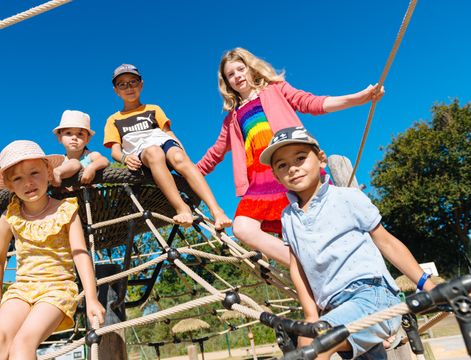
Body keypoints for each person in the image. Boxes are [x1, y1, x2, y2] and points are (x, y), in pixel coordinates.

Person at [197, 47, 385, 266]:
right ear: (226, 83)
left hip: (291, 169)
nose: (237, 76)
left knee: (320, 226)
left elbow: (311, 103)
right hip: (260, 183)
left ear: (251, 69)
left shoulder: (275, 90)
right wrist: (185, 172)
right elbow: (214, 154)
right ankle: (305, 265)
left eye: (241, 69)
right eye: (231, 74)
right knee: (242, 227)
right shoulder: (232, 119)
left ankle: (350, 265)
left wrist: (358, 98)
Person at [259, 126, 435, 359]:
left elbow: (387, 242)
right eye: (282, 165)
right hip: (334, 309)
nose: (292, 168)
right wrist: (311, 314)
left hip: (373, 295)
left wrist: (427, 284)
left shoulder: (347, 198)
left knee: (312, 342)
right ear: (276, 175)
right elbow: (297, 267)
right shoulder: (288, 218)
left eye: (300, 158)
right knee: (313, 332)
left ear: (321, 159)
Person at [0, 140, 105, 360]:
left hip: (56, 290)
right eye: (18, 178)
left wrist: (92, 298)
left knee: (22, 344)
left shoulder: (65, 210)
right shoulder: (10, 217)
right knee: (1, 338)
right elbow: (1, 259)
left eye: (34, 173)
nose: (28, 182)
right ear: (10, 185)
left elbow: (80, 253)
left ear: (48, 173)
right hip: (22, 289)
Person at [104, 64, 231, 230]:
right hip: (142, 151)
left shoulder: (153, 109)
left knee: (179, 157)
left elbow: (169, 134)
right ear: (116, 90)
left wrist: (184, 154)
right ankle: (181, 207)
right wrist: (125, 158)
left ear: (141, 84)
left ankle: (217, 210)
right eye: (122, 84)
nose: (129, 87)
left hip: (163, 141)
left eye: (133, 82)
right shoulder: (114, 119)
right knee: (154, 152)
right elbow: (115, 151)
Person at [52, 110, 110, 186]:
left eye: (80, 134)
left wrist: (91, 167)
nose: (74, 137)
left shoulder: (91, 155)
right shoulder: (60, 162)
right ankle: (56, 174)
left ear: (87, 139)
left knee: (75, 163)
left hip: (94, 195)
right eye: (68, 133)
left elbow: (104, 161)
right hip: (71, 196)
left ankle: (57, 174)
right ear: (59, 137)